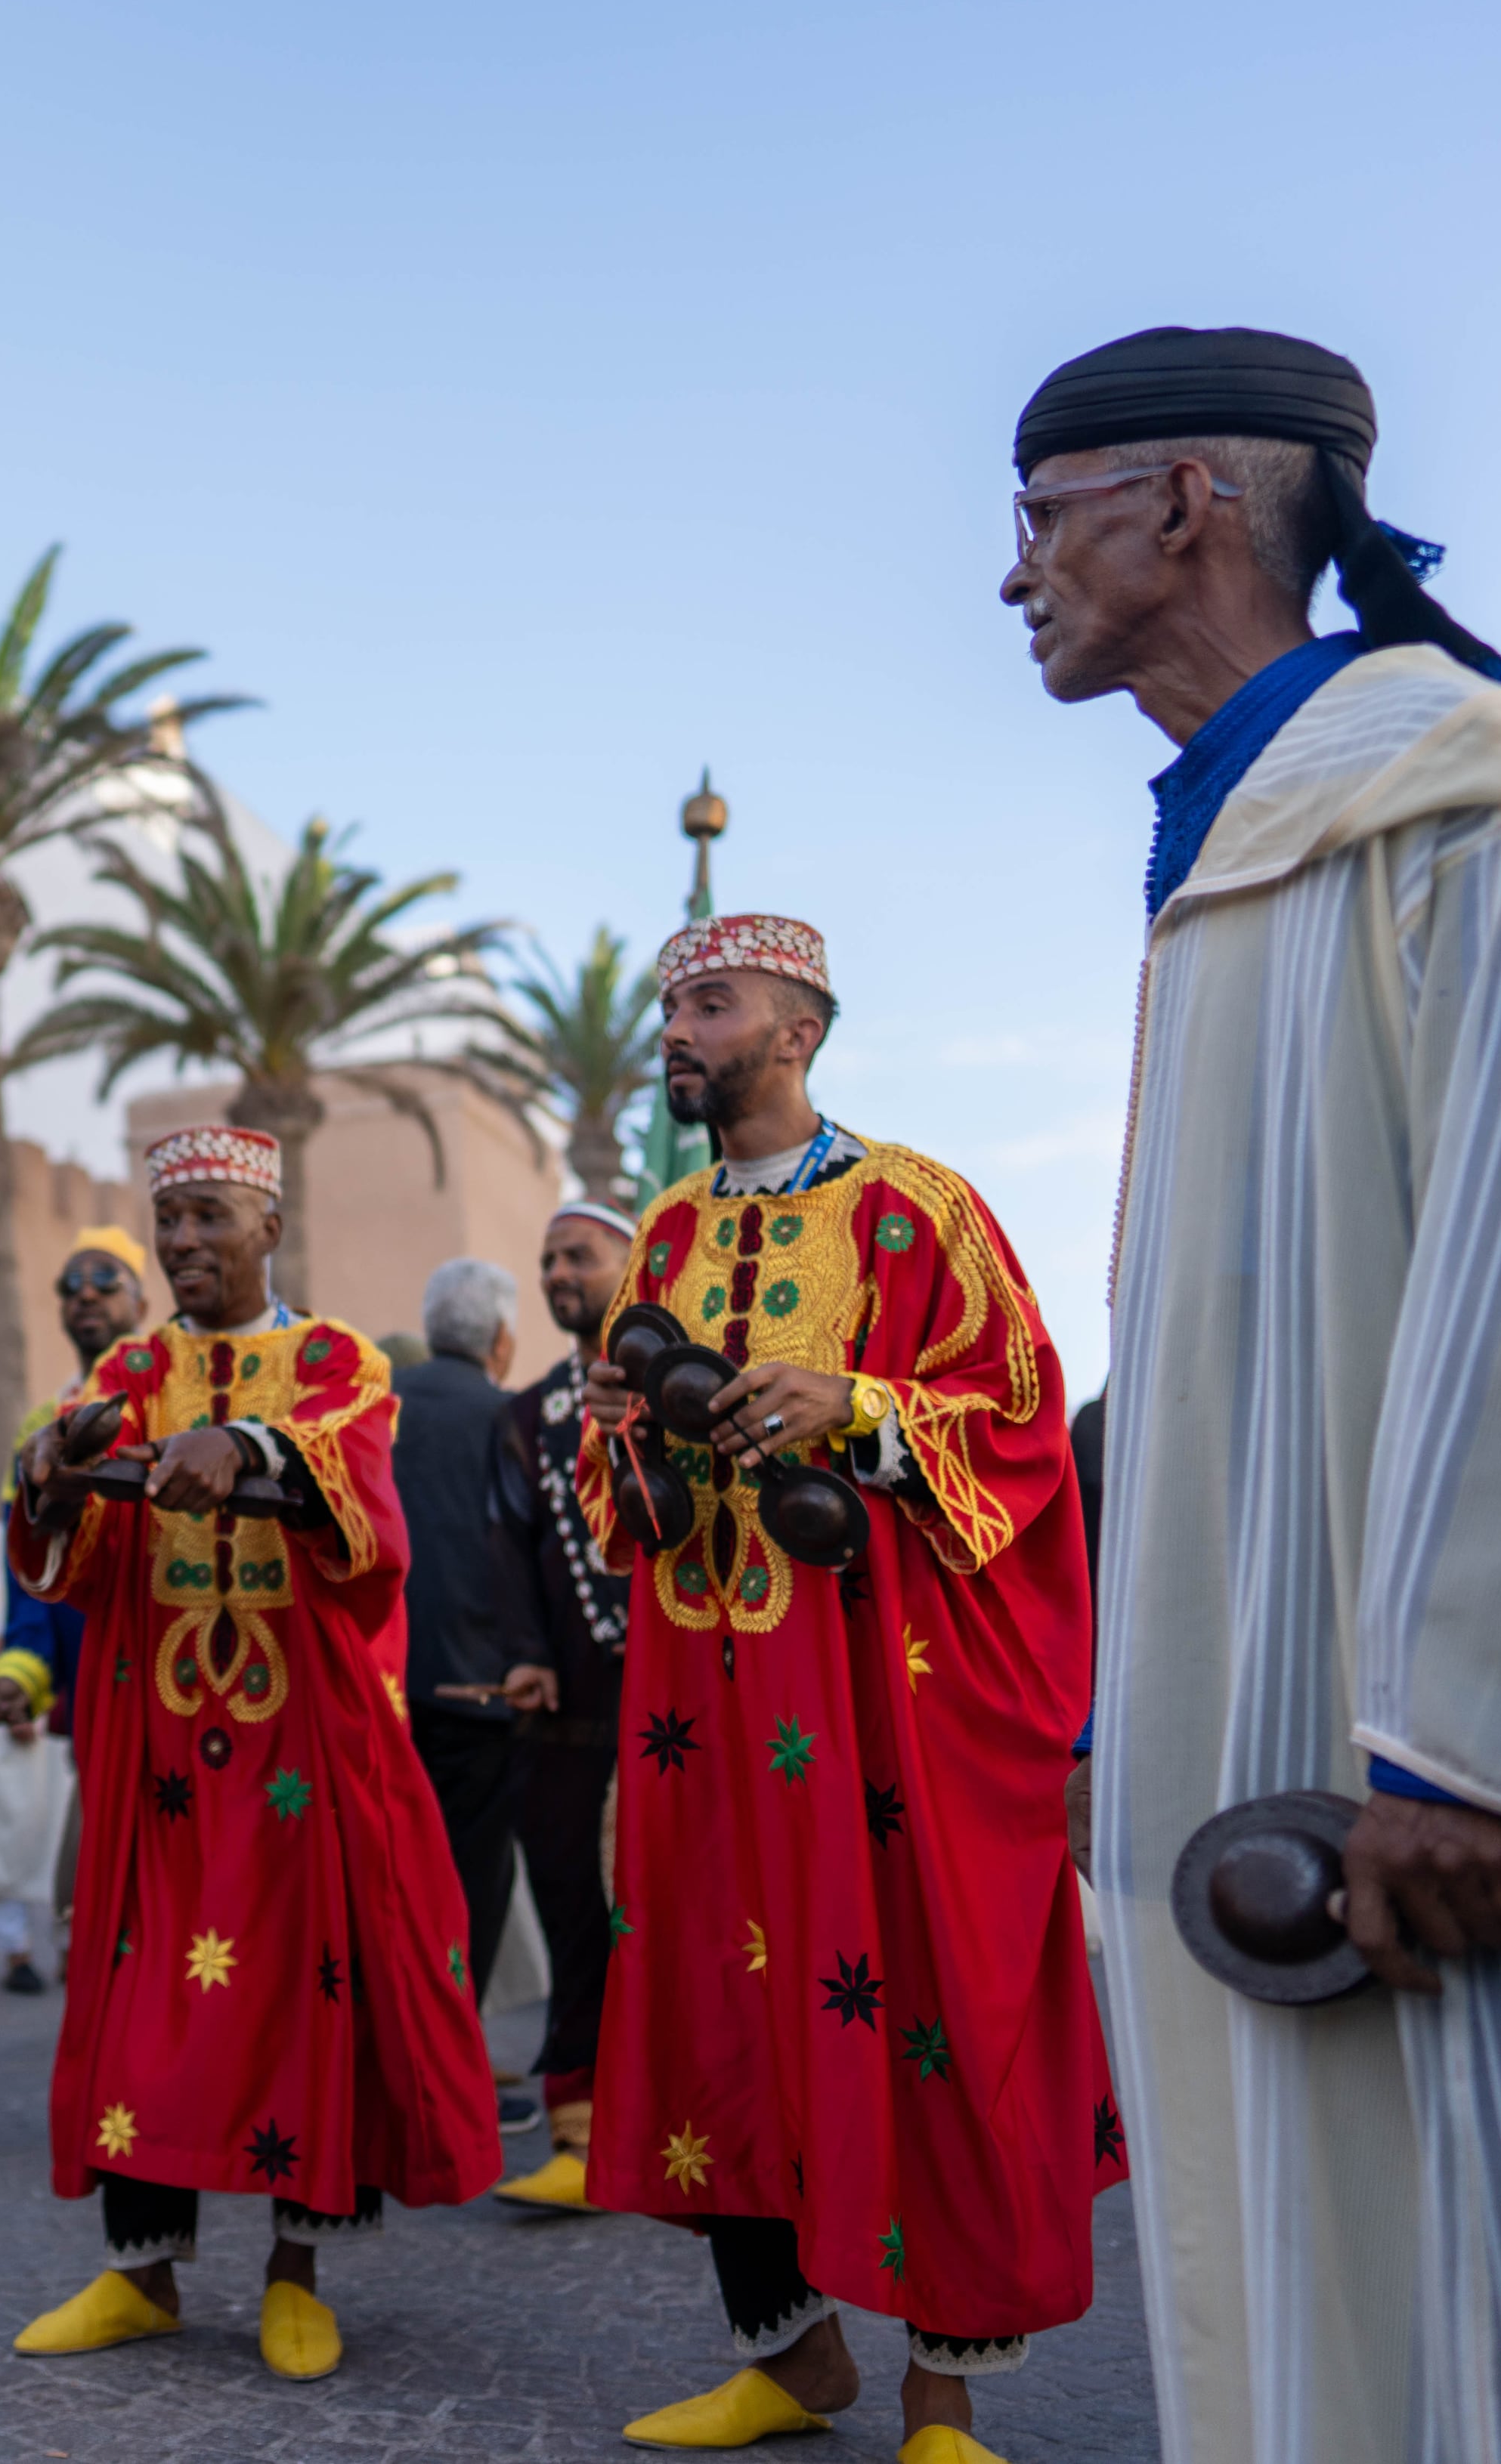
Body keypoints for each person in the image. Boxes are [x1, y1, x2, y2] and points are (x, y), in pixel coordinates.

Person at [1007, 327, 1501, 2464]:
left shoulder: (1464, 815)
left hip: (1447, 1827)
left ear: (1187, 501)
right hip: (1291, 1784)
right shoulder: (1244, 847)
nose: (1014, 577)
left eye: (1043, 517)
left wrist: (1475, 1750)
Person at [569, 918, 1104, 2462]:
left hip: (880, 1700)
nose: (677, 1027)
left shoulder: (919, 1209)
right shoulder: (659, 1235)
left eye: (708, 1003)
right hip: (704, 1708)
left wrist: (854, 1401)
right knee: (711, 2000)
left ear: (795, 1030)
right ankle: (785, 2353)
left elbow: (1014, 1427)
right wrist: (623, 1424)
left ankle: (941, 2399)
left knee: (930, 1992)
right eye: (669, 1003)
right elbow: (626, 1511)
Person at [0, 1127, 500, 2383]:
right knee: (139, 1981)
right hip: (153, 1749)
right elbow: (67, 1550)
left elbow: (371, 1529)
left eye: (209, 1217)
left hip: (300, 1750)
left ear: (269, 1225)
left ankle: (296, 2271)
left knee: (304, 1987)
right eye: (169, 1221)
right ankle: (142, 2269)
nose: (182, 1244)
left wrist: (260, 1450)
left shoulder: (336, 1361)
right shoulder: (125, 1364)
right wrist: (49, 1485)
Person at [487, 1201, 639, 2213]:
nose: (556, 1273)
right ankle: (581, 2137)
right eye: (546, 1260)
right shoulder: (530, 1413)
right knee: (576, 1916)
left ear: (635, 1262)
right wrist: (528, 1655)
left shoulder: (685, 1387)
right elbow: (506, 1550)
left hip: (685, 1721)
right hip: (570, 1721)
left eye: (578, 1254)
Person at [0, 1229, 154, 1996]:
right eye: (70, 1283)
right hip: (98, 1687)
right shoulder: (42, 1421)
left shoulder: (173, 1402)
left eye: (105, 1281)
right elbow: (26, 1573)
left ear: (141, 1302)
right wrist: (21, 1670)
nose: (84, 1294)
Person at [390, 1258, 542, 2133]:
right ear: (500, 1341)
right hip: (482, 1696)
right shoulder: (508, 1416)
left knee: (391, 1886)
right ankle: (448, 2079)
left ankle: (389, 2067)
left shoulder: (375, 1409)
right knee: (471, 1892)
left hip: (383, 1695)